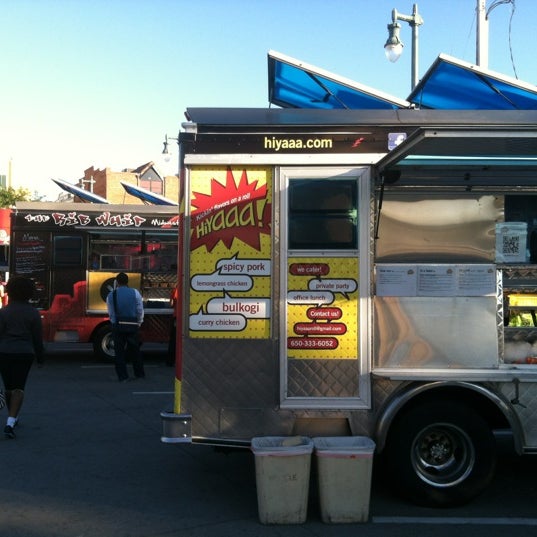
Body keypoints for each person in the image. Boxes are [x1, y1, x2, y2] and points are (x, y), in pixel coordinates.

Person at [0, 275, 44, 439]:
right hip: (24, 353)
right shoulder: (33, 313)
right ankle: (10, 422)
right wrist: (40, 358)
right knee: (19, 387)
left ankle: (13, 416)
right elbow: (37, 338)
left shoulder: (3, 312)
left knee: (9, 387)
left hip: (4, 352)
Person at [106, 272, 144, 382]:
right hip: (132, 325)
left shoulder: (111, 295)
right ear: (127, 282)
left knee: (119, 353)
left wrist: (114, 323)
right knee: (135, 351)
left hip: (118, 326)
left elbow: (111, 313)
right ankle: (139, 374)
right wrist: (139, 322)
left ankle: (123, 376)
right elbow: (140, 309)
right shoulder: (135, 293)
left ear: (117, 282)